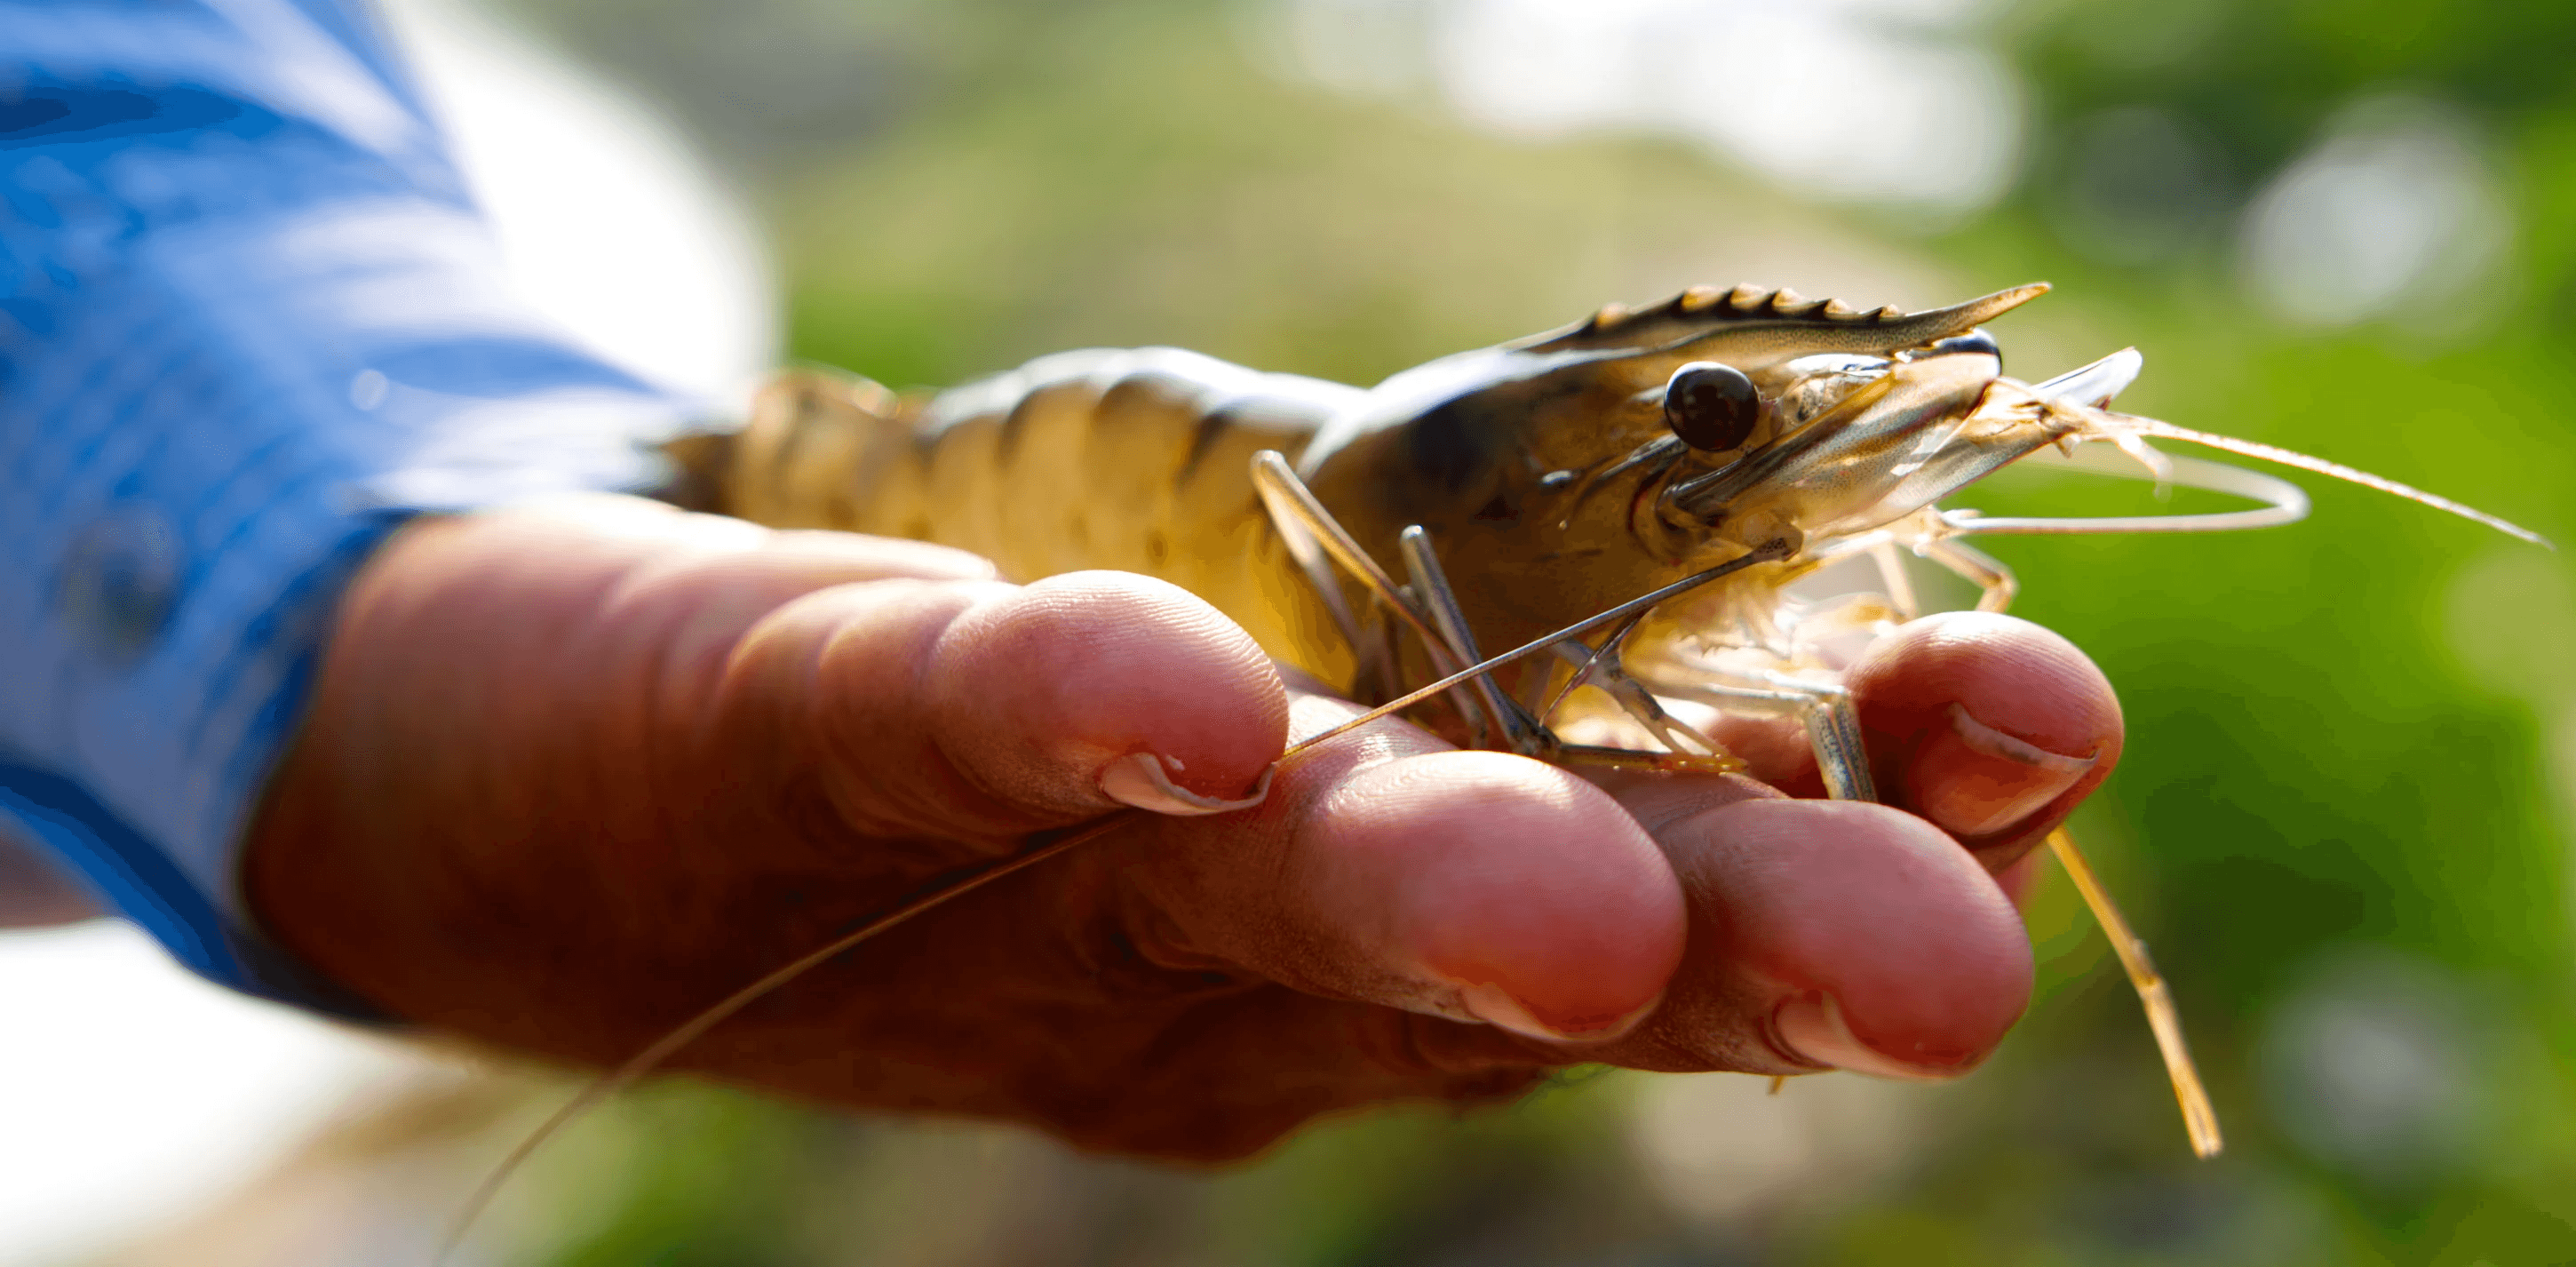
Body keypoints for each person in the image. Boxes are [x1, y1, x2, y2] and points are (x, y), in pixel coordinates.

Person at [3, 0, 2120, 1160]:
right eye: (1719, 424)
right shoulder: (1375, 499)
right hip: (974, 473)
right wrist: (340, 597)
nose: (1735, 452)